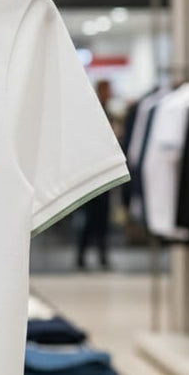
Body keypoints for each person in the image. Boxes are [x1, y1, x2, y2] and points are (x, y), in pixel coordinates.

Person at [76, 79, 115, 270]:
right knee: (93, 219)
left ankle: (98, 255)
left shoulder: (104, 111)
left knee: (100, 219)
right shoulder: (96, 112)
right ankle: (84, 255)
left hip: (103, 172)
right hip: (95, 173)